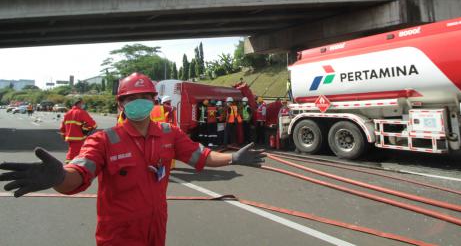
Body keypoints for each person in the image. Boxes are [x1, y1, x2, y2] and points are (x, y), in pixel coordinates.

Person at [0, 72, 264, 246]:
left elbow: (200, 156)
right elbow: (78, 174)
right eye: (131, 98)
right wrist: (59, 177)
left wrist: (233, 158)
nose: (139, 102)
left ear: (154, 101)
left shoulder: (169, 134)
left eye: (145, 97)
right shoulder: (103, 141)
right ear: (120, 105)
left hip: (155, 231)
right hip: (119, 236)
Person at [59, 97, 97, 163]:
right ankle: (70, 168)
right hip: (78, 137)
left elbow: (62, 126)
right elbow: (93, 125)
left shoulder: (68, 113)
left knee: (73, 152)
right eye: (82, 103)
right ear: (79, 103)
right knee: (74, 154)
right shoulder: (81, 112)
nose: (83, 105)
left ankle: (70, 167)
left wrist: (63, 135)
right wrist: (86, 128)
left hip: (69, 137)